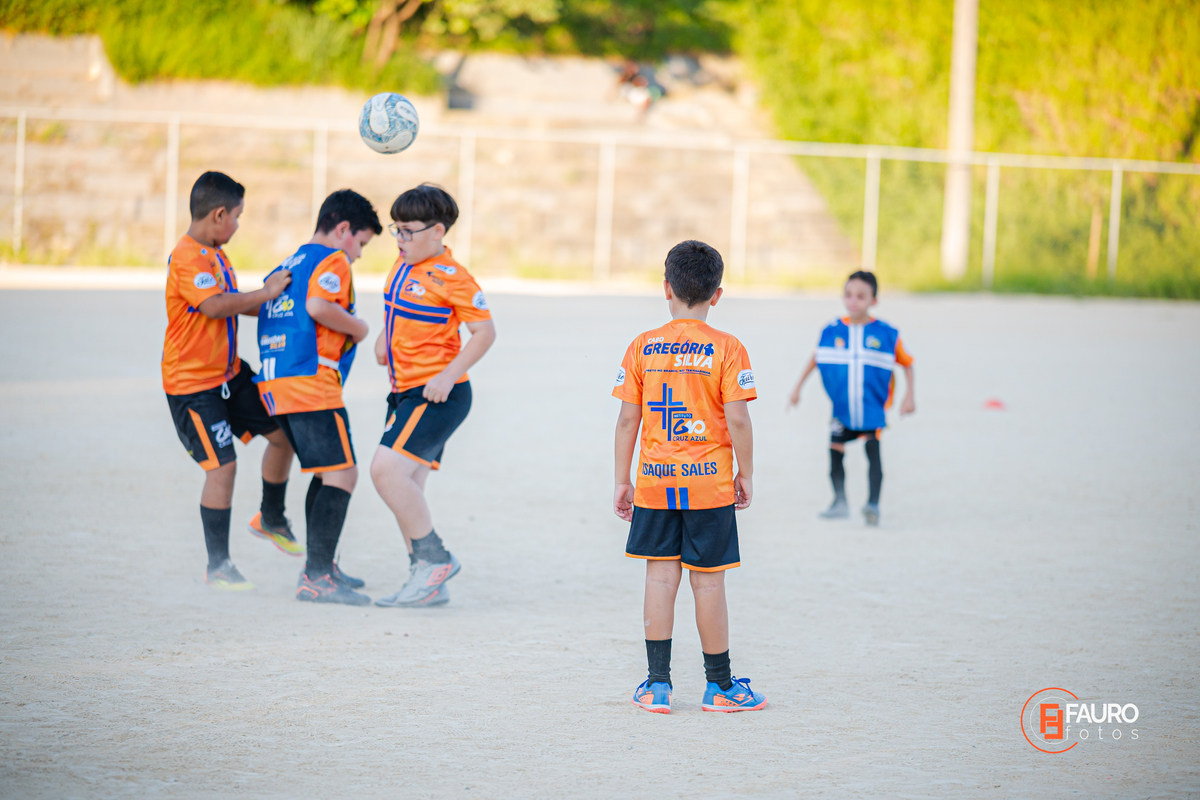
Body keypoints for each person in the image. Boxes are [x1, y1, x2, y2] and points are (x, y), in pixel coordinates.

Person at [612, 240, 767, 714]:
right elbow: (738, 419)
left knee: (660, 579)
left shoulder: (642, 345)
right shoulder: (728, 347)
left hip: (656, 482)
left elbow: (627, 420)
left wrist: (622, 480)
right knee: (709, 584)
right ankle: (719, 687)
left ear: (666, 288)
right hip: (709, 485)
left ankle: (657, 685)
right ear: (716, 295)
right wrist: (746, 472)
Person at [162, 171, 299, 591]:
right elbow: (216, 306)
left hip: (230, 374)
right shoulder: (187, 257)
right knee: (223, 467)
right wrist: (267, 292)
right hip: (193, 386)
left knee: (285, 434)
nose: (238, 225)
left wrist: (286, 306)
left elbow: (235, 303)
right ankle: (218, 566)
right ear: (219, 214)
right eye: (238, 216)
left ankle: (270, 518)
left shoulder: (216, 254)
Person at [369, 184, 496, 608]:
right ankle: (427, 582)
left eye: (408, 230)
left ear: (437, 231)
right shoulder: (402, 263)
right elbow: (395, 308)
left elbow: (485, 332)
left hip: (439, 395)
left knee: (385, 472)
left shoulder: (454, 277)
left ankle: (436, 560)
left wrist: (448, 375)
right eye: (396, 229)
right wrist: (385, 339)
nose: (400, 239)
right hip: (404, 392)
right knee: (407, 487)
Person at [254, 189, 382, 604]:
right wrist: (360, 328)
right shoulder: (334, 259)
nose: (358, 254)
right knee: (344, 475)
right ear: (343, 229)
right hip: (310, 382)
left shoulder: (289, 262)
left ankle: (321, 565)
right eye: (361, 243)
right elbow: (317, 305)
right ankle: (317, 577)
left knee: (328, 473)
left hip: (277, 381)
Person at [787, 270, 915, 526]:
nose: (853, 301)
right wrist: (797, 387)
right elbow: (817, 357)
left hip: (871, 408)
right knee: (835, 450)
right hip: (842, 408)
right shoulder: (833, 330)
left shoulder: (886, 333)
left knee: (873, 452)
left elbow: (907, 363)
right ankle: (839, 502)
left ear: (874, 300)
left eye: (860, 296)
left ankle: (873, 505)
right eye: (848, 295)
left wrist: (909, 397)